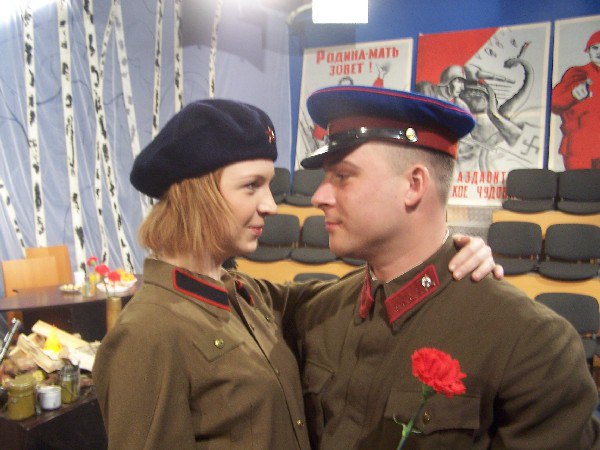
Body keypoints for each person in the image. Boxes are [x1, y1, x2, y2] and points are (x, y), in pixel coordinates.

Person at [92, 98, 498, 449]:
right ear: (197, 195)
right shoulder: (147, 334)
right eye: (251, 186)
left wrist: (444, 257)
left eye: (268, 185)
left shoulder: (245, 296)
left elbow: (363, 288)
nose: (270, 205)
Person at [275, 85, 600, 449]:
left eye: (342, 176)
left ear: (414, 185)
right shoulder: (317, 311)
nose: (319, 196)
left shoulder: (531, 343)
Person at [551, 30, 600, 169]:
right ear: (588, 50)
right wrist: (572, 95)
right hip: (579, 147)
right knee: (578, 183)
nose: (599, 52)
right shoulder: (578, 73)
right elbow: (554, 103)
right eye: (595, 47)